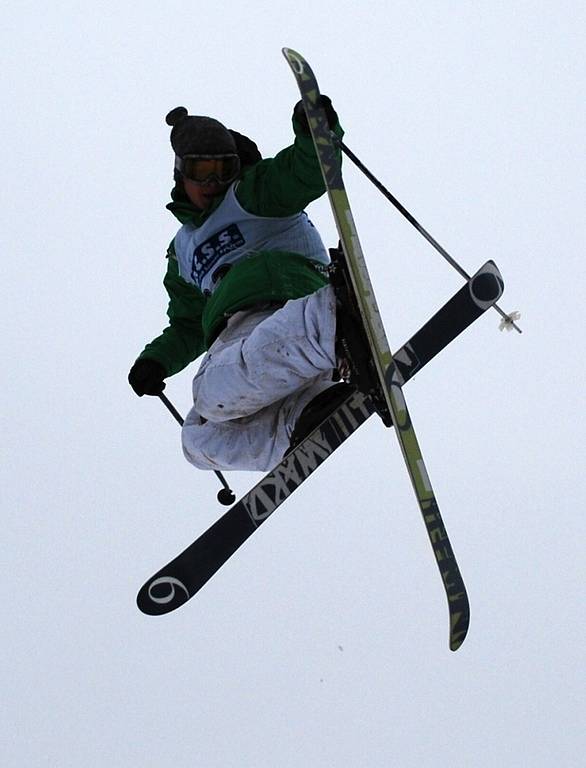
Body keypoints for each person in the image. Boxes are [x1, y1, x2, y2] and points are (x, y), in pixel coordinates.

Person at [128, 98, 354, 472]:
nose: (213, 183)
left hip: (280, 308)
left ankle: (329, 324)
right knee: (198, 435)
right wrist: (156, 361)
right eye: (202, 171)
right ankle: (300, 424)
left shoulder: (250, 194)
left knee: (208, 391)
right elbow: (187, 325)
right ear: (181, 175)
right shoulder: (182, 251)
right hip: (252, 352)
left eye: (223, 169)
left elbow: (304, 173)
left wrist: (315, 133)